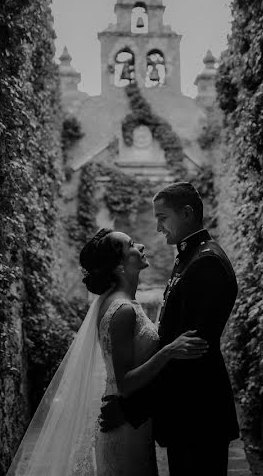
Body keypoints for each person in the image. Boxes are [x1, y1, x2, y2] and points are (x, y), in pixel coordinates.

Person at [7, 227, 207, 476]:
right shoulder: (122, 310)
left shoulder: (122, 301)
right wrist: (168, 352)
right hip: (124, 429)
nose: (141, 246)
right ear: (119, 266)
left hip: (133, 421)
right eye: (131, 245)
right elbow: (124, 384)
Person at [100, 181, 240, 476]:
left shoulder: (206, 262)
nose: (158, 227)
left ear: (186, 213)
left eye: (163, 217)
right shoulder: (191, 256)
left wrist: (130, 410)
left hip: (198, 412)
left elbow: (187, 356)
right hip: (186, 413)